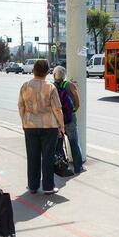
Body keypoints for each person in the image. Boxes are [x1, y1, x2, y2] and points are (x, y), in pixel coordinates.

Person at [18, 59, 64, 194]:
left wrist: (24, 121)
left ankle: (33, 186)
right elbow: (57, 109)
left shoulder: (25, 86)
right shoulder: (50, 87)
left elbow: (21, 106)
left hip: (30, 125)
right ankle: (48, 187)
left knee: (32, 156)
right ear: (47, 71)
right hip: (49, 127)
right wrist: (61, 126)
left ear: (33, 70)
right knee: (48, 157)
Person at [52, 66, 85, 174]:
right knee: (74, 142)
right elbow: (78, 103)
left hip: (57, 120)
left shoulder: (51, 87)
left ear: (54, 75)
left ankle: (63, 167)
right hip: (70, 119)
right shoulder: (69, 85)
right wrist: (72, 111)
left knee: (59, 144)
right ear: (64, 75)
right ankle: (78, 167)